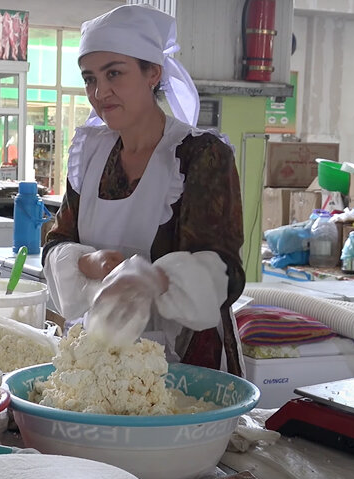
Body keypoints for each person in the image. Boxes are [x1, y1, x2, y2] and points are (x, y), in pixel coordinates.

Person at [42, 5, 245, 375]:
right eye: (90, 79)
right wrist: (94, 262)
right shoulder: (91, 153)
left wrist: (153, 279)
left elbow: (226, 273)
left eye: (114, 73)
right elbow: (57, 242)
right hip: (97, 352)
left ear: (153, 73)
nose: (100, 92)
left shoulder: (198, 156)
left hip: (180, 362)